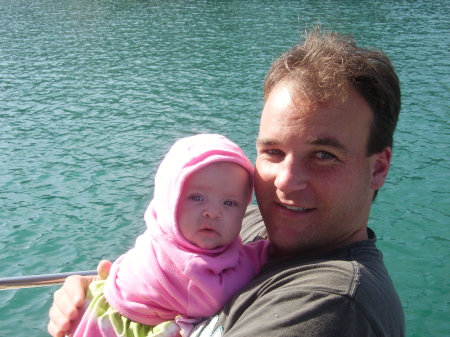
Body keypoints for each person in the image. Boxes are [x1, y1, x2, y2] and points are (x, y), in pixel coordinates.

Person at [48, 27, 405, 337]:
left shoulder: (332, 306)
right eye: (274, 152)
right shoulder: (250, 222)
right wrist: (90, 295)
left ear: (378, 167)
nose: (287, 182)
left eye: (324, 155)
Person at [68, 134, 270, 337]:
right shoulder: (188, 265)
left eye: (229, 203)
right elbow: (215, 297)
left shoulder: (160, 232)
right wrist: (261, 254)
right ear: (168, 200)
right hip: (123, 329)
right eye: (196, 198)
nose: (213, 212)